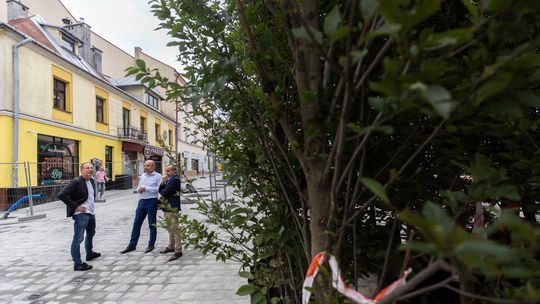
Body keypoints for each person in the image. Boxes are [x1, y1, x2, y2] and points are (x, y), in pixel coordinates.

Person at [58, 162, 101, 271]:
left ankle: (89, 254)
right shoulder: (76, 181)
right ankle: (77, 263)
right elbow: (62, 195)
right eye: (87, 168)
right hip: (81, 214)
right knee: (78, 238)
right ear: (82, 170)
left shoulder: (91, 180)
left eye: (91, 168)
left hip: (91, 213)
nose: (90, 170)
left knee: (91, 233)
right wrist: (75, 207)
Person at [120, 160, 162, 254]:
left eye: (148, 166)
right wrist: (139, 189)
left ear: (153, 167)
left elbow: (158, 189)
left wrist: (146, 188)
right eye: (145, 165)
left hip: (152, 201)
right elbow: (138, 187)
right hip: (142, 201)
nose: (146, 167)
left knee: (152, 223)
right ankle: (132, 245)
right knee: (136, 224)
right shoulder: (142, 176)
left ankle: (151, 244)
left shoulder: (158, 176)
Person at [158, 165, 183, 261]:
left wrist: (164, 187)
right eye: (165, 171)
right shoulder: (169, 179)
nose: (166, 173)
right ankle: (171, 246)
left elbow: (165, 192)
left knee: (175, 229)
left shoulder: (175, 179)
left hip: (172, 207)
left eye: (168, 171)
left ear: (174, 171)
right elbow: (160, 190)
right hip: (167, 207)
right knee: (170, 228)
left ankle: (178, 251)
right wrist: (162, 183)